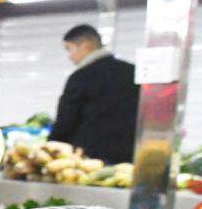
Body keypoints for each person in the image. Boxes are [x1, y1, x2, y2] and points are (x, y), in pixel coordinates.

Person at [50, 24, 139, 164]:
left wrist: (49, 148)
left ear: (85, 46)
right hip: (128, 160)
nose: (69, 57)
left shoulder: (80, 77)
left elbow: (66, 121)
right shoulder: (133, 72)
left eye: (69, 49)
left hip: (88, 161)